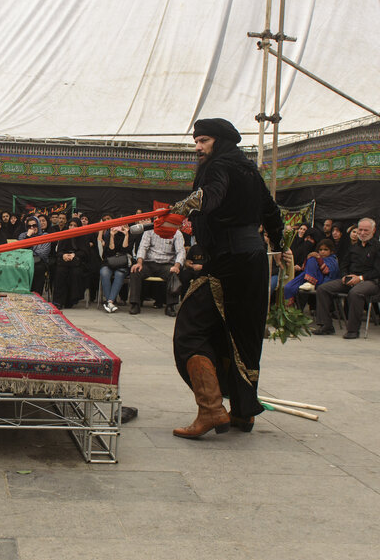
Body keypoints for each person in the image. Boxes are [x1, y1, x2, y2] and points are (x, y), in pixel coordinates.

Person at [170, 118, 285, 437]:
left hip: (226, 262)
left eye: (203, 140)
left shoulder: (218, 165)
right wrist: (280, 245)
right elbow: (271, 212)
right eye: (197, 141)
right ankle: (243, 413)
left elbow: (211, 196)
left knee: (190, 330)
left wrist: (177, 208)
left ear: (220, 141)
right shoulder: (248, 169)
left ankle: (210, 410)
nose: (198, 148)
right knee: (241, 334)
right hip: (253, 260)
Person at [310, 217, 380, 339]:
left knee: (355, 293)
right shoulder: (353, 246)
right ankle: (326, 325)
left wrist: (360, 278)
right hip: (350, 279)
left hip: (370, 281)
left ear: (373, 231)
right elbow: (344, 263)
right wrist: (344, 275)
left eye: (366, 231)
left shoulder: (377, 247)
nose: (362, 233)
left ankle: (353, 330)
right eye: (360, 230)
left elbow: (377, 271)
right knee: (323, 288)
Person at [127, 225, 186, 316]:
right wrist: (139, 263)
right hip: (149, 263)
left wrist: (176, 266)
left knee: (174, 274)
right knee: (135, 271)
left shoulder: (176, 233)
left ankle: (170, 306)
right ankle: (135, 304)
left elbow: (181, 251)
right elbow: (143, 247)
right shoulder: (149, 231)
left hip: (166, 264)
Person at [50, 218, 88, 309]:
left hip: (77, 262)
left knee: (76, 273)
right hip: (64, 261)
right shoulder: (64, 235)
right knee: (60, 271)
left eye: (75, 226)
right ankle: (58, 301)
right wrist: (64, 255)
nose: (72, 227)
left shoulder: (83, 237)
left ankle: (71, 300)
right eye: (71, 225)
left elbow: (85, 252)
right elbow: (58, 251)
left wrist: (74, 255)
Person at [99, 219, 131, 312]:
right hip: (109, 262)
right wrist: (112, 237)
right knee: (104, 273)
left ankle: (109, 301)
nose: (120, 227)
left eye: (123, 225)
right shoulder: (108, 234)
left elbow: (126, 251)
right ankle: (110, 303)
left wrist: (126, 235)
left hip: (122, 264)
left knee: (119, 274)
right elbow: (109, 252)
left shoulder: (130, 235)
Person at [18, 214, 51, 295]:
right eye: (29, 226)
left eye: (34, 225)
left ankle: (36, 295)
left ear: (38, 225)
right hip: (25, 261)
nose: (32, 228)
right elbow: (21, 251)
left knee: (38, 268)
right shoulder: (23, 236)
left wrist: (30, 251)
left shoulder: (45, 236)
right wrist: (28, 236)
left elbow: (43, 253)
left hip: (39, 262)